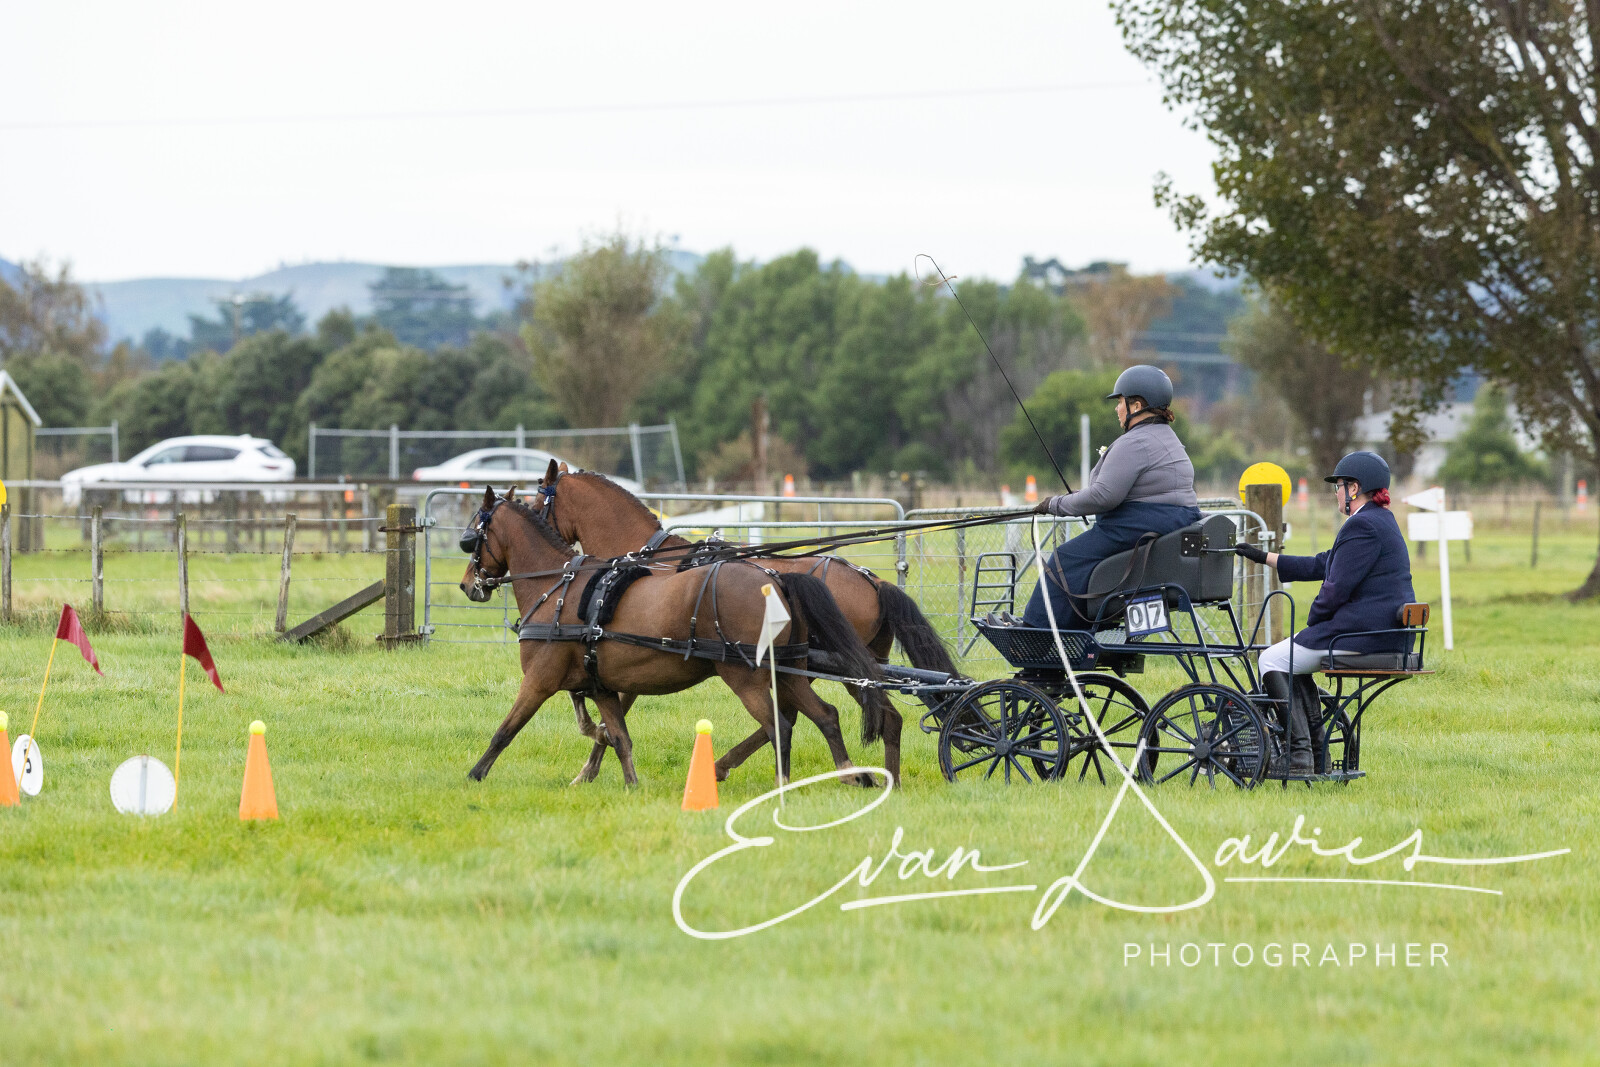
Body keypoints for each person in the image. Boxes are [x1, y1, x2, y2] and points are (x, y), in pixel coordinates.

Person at [1235, 450, 1415, 776]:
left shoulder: (1361, 526)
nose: (1336, 493)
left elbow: (1335, 590)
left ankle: (1299, 755)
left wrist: (1313, 622)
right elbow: (1324, 563)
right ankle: (1316, 754)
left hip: (1364, 636)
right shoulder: (1380, 521)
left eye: (1339, 486)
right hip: (1382, 633)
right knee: (1292, 660)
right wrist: (1264, 557)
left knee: (1270, 660)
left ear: (1354, 488)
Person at [1020, 365, 1201, 630]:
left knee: (1064, 560)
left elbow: (1103, 496)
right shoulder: (1168, 438)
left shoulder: (1136, 442)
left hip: (1139, 524)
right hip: (1169, 521)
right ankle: (1081, 629)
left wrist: (1054, 504)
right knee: (1088, 564)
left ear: (1136, 405)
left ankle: (1035, 631)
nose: (1117, 409)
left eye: (1120, 402)